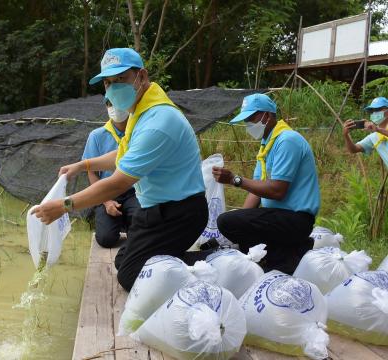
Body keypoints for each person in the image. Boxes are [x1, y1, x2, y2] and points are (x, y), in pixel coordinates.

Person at [31, 48, 208, 291]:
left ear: (142, 76)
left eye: (121, 79)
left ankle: (212, 265)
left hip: (179, 214)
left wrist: (65, 206)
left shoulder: (158, 121)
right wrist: (84, 165)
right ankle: (170, 259)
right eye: (108, 83)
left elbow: (117, 183)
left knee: (130, 276)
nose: (114, 88)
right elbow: (125, 155)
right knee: (123, 260)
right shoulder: (142, 111)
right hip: (156, 209)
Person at [213, 93, 320, 274]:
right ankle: (283, 253)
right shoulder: (267, 144)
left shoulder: (287, 140)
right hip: (278, 217)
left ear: (267, 116)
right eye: (245, 120)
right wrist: (241, 218)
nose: (248, 125)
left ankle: (280, 255)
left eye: (251, 118)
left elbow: (277, 190)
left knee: (228, 221)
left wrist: (234, 179)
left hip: (295, 219)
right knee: (231, 221)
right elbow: (257, 190)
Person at [82, 99, 140, 248]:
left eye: (118, 102)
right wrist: (106, 201)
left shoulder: (139, 132)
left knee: (141, 232)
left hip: (135, 191)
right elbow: (92, 173)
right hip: (108, 192)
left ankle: (130, 222)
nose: (114, 107)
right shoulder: (96, 136)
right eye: (109, 104)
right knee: (106, 239)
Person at [343, 96, 388, 167]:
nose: (374, 113)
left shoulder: (377, 131)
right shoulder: (374, 137)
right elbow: (353, 149)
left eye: (378, 109)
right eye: (372, 111)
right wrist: (346, 135)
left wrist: (378, 129)